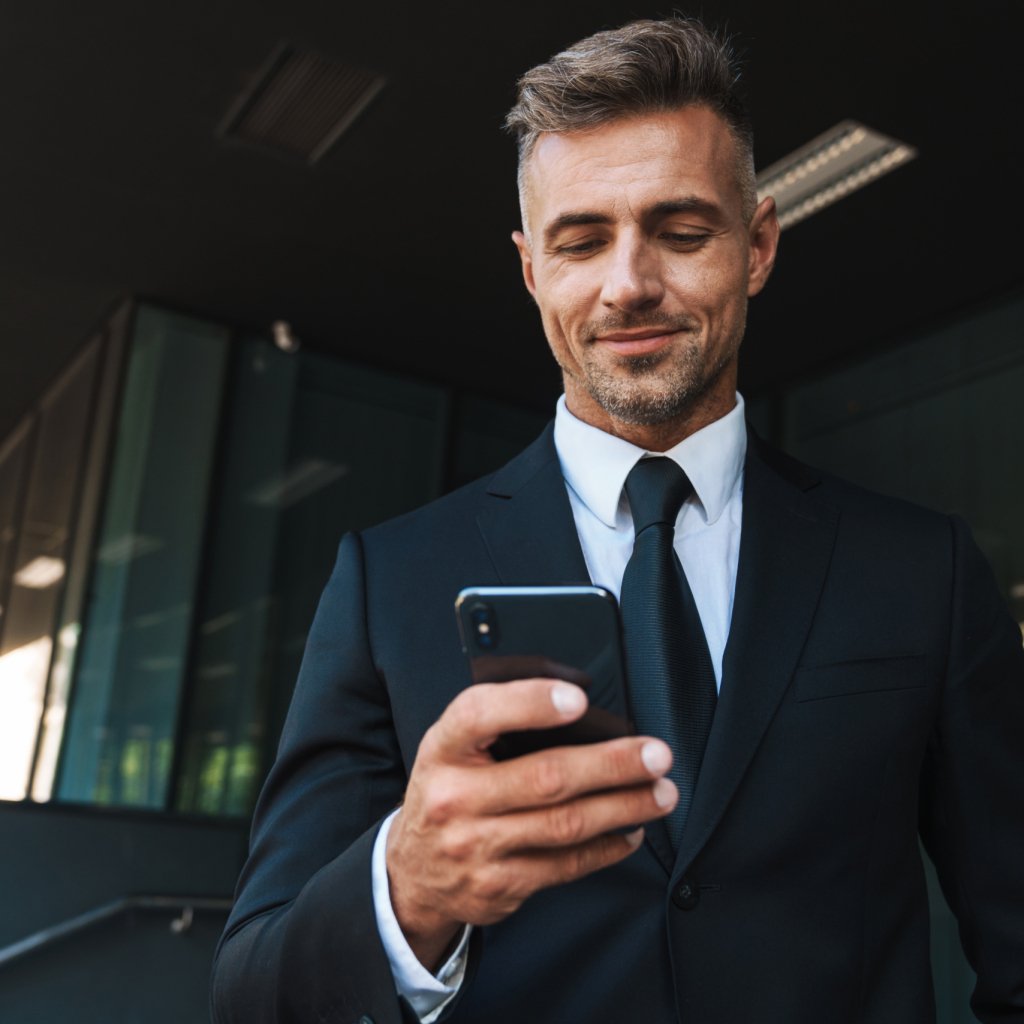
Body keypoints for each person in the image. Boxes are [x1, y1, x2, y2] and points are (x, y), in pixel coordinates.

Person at [211, 17, 1024, 1024]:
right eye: (580, 239)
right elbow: (253, 992)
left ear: (758, 244)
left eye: (681, 231)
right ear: (529, 270)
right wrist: (408, 887)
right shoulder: (388, 580)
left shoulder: (923, 571)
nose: (628, 282)